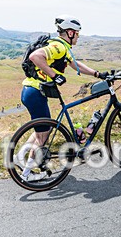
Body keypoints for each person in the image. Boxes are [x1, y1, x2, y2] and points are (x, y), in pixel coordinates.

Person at [19, 15, 107, 181]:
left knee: (43, 129)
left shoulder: (63, 48)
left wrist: (97, 74)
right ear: (71, 32)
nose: (79, 37)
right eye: (78, 33)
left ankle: (21, 156)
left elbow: (76, 64)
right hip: (35, 92)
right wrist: (54, 75)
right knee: (43, 135)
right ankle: (27, 173)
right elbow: (35, 57)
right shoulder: (58, 47)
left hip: (32, 91)